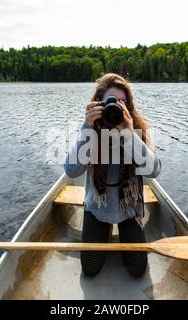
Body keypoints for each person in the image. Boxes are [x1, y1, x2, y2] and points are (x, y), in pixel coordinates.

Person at [64, 73, 162, 278]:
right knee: (90, 269)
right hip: (98, 208)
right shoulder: (91, 130)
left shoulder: (137, 131)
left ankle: (112, 232)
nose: (115, 107)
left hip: (129, 209)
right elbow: (71, 171)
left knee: (137, 269)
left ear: (129, 106)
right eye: (110, 102)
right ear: (97, 104)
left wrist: (128, 134)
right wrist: (87, 128)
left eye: (122, 102)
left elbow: (155, 170)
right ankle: (104, 230)